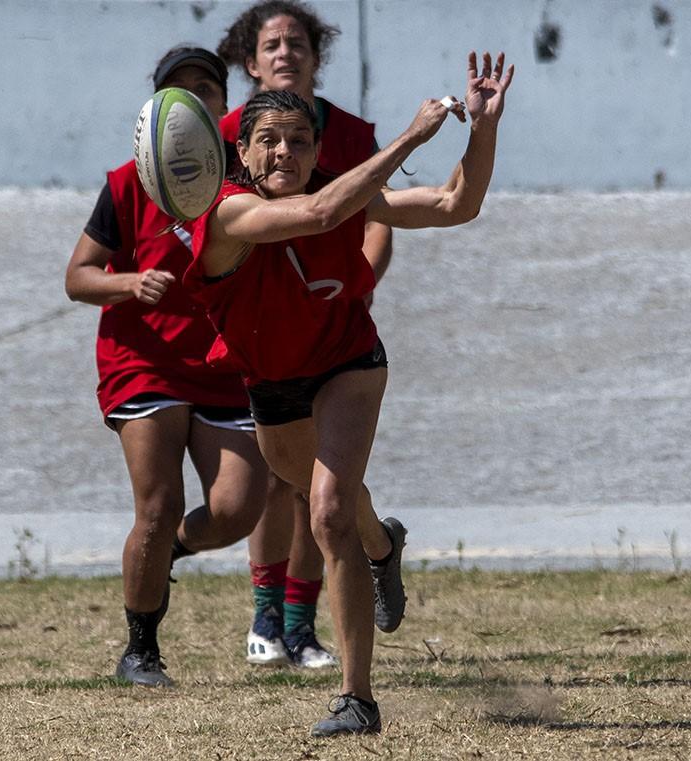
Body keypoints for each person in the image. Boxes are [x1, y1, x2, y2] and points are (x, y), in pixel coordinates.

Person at [183, 51, 514, 736]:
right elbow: (321, 211)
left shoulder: (342, 188)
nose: (285, 151)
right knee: (336, 504)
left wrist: (479, 130)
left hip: (348, 364)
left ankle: (357, 697)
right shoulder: (226, 214)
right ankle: (384, 546)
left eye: (299, 140)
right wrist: (412, 137)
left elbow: (458, 204)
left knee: (328, 512)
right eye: (268, 140)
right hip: (273, 383)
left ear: (316, 150)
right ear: (240, 153)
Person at [64, 46, 269, 688]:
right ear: (157, 108)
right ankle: (141, 648)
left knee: (238, 509)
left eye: (206, 89)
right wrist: (128, 283)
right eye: (178, 92)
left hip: (222, 362)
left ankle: (165, 553)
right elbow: (77, 278)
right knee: (156, 504)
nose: (194, 101)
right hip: (143, 361)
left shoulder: (247, 177)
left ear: (223, 102)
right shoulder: (128, 183)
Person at [215, 0, 396, 669]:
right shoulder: (224, 138)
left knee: (324, 496)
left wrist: (354, 280)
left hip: (331, 329)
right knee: (276, 474)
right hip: (259, 330)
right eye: (272, 43)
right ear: (251, 61)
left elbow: (376, 217)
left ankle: (303, 621)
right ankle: (268, 610)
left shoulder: (348, 134)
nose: (286, 52)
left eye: (299, 42)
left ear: (318, 59)